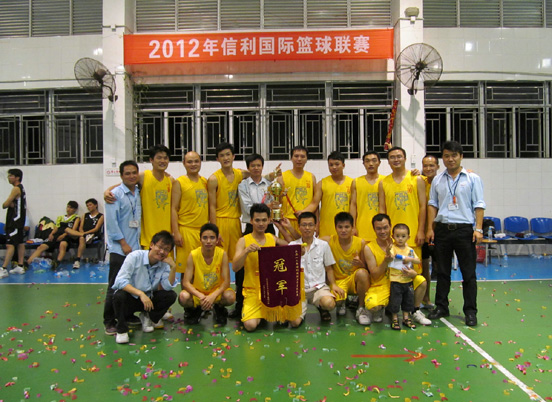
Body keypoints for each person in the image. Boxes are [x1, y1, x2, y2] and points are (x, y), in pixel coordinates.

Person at [427, 141, 486, 327]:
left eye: (454, 155)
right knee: (442, 272)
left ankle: (470, 311)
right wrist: (430, 228)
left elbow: (479, 204)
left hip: (464, 230)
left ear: (461, 156)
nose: (450, 159)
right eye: (446, 156)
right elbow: (432, 204)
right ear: (442, 158)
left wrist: (478, 229)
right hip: (442, 229)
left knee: (468, 274)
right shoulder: (437, 180)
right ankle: (441, 307)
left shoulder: (472, 178)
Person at [378, 146, 430, 326]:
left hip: (412, 237)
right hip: (393, 241)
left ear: (405, 158)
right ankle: (393, 310)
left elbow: (423, 206)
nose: (396, 159)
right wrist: (385, 236)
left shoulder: (416, 179)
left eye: (399, 156)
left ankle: (415, 310)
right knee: (394, 276)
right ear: (388, 161)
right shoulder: (383, 182)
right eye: (392, 157)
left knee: (415, 276)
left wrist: (421, 230)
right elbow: (382, 210)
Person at [111, 230, 178, 344]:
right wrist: (140, 294)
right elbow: (119, 281)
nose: (162, 252)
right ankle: (121, 330)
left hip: (149, 300)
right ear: (151, 245)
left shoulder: (164, 264)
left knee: (171, 295)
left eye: (166, 249)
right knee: (119, 295)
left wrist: (173, 268)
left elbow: (167, 287)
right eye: (160, 247)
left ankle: (148, 317)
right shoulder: (135, 257)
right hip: (132, 298)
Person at [363, 214, 430, 326]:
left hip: (402, 279)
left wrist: (413, 273)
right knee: (373, 306)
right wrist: (386, 261)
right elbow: (374, 275)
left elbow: (411, 263)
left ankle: (415, 310)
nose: (382, 231)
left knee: (421, 281)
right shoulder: (369, 248)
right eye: (378, 228)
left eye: (385, 227)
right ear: (374, 229)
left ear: (390, 227)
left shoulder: (401, 243)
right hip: (382, 284)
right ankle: (383, 308)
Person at [232, 153, 277, 319]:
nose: (256, 168)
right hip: (251, 226)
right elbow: (247, 207)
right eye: (253, 166)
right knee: (244, 268)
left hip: (269, 227)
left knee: (271, 266)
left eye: (259, 165)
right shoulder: (243, 185)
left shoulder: (271, 184)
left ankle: (272, 300)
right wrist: (267, 206)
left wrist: (273, 207)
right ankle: (240, 305)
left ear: (262, 167)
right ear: (248, 168)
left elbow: (273, 204)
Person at [232, 203, 288, 332]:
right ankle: (261, 312)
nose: (261, 224)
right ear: (251, 221)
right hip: (252, 291)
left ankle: (265, 312)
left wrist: (282, 228)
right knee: (250, 325)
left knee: (289, 320)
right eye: (257, 220)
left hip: (272, 290)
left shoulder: (272, 238)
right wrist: (246, 251)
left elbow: (292, 247)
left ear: (269, 221)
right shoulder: (243, 241)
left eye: (264, 220)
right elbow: (235, 267)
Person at [105, 145, 174, 249]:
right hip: (148, 237)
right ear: (151, 160)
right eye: (159, 158)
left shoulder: (171, 180)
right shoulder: (143, 176)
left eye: (165, 158)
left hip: (166, 235)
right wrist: (107, 191)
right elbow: (123, 184)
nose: (162, 161)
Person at [103, 160, 142, 336]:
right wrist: (124, 243)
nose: (131, 176)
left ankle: (127, 315)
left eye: (134, 173)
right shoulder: (115, 195)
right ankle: (109, 321)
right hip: (120, 249)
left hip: (135, 249)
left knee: (131, 285)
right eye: (127, 173)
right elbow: (111, 224)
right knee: (115, 286)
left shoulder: (138, 192)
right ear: (121, 175)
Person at [178, 223, 235, 325]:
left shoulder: (222, 254)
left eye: (212, 238)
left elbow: (226, 282)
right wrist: (201, 296)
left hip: (215, 293)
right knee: (183, 297)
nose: (208, 241)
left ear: (217, 240)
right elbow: (186, 282)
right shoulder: (193, 255)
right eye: (205, 238)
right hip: (199, 293)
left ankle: (219, 308)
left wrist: (213, 296)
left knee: (230, 296)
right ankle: (196, 309)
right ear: (200, 239)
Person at [321, 212, 370, 325]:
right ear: (335, 228)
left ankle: (361, 308)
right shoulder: (328, 241)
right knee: (332, 303)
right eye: (340, 227)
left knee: (363, 273)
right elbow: (308, 240)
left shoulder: (360, 242)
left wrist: (360, 263)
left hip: (353, 280)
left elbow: (366, 269)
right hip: (338, 282)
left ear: (352, 228)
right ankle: (341, 303)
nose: (343, 230)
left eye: (347, 227)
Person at [289, 211, 337, 325]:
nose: (307, 228)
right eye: (304, 225)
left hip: (318, 288)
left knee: (329, 303)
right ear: (299, 227)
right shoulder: (292, 246)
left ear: (316, 226)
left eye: (310, 225)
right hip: (299, 291)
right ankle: (302, 311)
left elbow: (329, 268)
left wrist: (333, 284)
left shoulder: (323, 245)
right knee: (294, 323)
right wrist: (296, 255)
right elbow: (288, 272)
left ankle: (322, 307)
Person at [171, 151, 208, 274]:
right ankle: (185, 288)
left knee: (201, 269)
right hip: (186, 230)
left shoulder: (205, 181)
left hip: (202, 232)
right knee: (187, 270)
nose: (193, 164)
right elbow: (174, 208)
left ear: (200, 162)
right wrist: (176, 232)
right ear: (184, 163)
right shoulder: (179, 182)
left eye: (196, 161)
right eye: (190, 162)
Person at [306, 151, 355, 238]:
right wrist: (303, 212)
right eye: (331, 165)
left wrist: (354, 226)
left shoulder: (352, 183)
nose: (334, 167)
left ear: (343, 165)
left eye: (337, 164)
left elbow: (354, 206)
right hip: (326, 228)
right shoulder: (322, 183)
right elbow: (314, 204)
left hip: (346, 228)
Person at [27, 201, 80, 270]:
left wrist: (64, 235)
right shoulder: (61, 217)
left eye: (71, 208)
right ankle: (27, 263)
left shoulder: (76, 218)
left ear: (75, 209)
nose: (68, 209)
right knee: (41, 247)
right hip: (57, 234)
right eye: (68, 207)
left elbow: (73, 230)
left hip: (67, 235)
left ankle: (57, 262)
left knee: (63, 245)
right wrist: (51, 234)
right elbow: (56, 228)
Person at [387, 223, 421, 330]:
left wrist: (409, 259)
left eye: (403, 236)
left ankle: (406, 318)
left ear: (408, 237)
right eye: (397, 236)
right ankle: (395, 318)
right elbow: (390, 256)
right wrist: (388, 251)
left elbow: (418, 260)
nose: (400, 239)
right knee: (395, 301)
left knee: (408, 300)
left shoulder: (410, 250)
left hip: (407, 280)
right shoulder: (393, 248)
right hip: (395, 280)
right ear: (393, 236)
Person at [278, 146, 318, 235]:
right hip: (288, 221)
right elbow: (278, 201)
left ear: (307, 159)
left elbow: (315, 203)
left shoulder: (311, 177)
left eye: (302, 156)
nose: (299, 159)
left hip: (306, 222)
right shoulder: (282, 177)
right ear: (291, 158)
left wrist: (317, 223)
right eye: (296, 156)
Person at [350, 151, 384, 243]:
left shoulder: (386, 181)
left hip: (381, 229)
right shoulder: (356, 182)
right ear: (363, 164)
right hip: (361, 228)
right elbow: (353, 205)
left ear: (379, 162)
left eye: (374, 160)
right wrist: (353, 226)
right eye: (367, 161)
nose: (371, 164)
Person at [420, 154, 440, 306]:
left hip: (440, 231)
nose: (428, 168)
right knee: (424, 267)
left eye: (431, 165)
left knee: (441, 268)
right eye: (425, 165)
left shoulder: (443, 182)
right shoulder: (419, 181)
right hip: (424, 232)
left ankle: (441, 301)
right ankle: (425, 298)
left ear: (437, 167)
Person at [63, 198, 104, 269]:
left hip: (93, 234)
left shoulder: (101, 216)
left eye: (90, 205)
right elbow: (81, 227)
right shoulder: (85, 215)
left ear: (96, 205)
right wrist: (83, 233)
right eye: (87, 206)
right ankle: (83, 238)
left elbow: (96, 228)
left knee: (82, 238)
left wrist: (85, 233)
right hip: (82, 234)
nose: (88, 207)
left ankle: (77, 260)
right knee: (70, 231)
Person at [1, 169, 27, 278]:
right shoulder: (21, 188)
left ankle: (4, 269)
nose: (8, 178)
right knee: (20, 243)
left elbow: (5, 204)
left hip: (15, 221)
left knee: (10, 244)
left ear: (17, 177)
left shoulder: (16, 189)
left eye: (11, 176)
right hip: (19, 221)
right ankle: (20, 266)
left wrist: (9, 203)